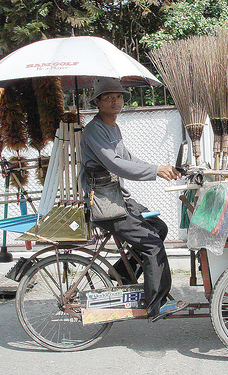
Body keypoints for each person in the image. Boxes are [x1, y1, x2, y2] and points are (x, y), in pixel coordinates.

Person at [80, 77, 187, 321]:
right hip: (104, 204)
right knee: (151, 243)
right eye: (108, 97)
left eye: (118, 96)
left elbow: (130, 159)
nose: (115, 101)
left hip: (118, 197)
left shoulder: (113, 127)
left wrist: (163, 169)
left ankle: (122, 276)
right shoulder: (94, 129)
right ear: (97, 101)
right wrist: (155, 171)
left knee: (158, 228)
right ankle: (155, 304)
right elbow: (116, 165)